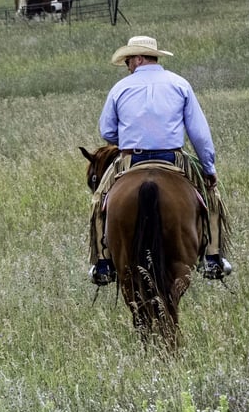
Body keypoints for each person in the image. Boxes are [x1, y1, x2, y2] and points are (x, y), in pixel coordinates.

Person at [89, 35, 232, 286]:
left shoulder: (120, 88)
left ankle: (102, 263)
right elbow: (199, 133)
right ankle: (213, 257)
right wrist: (208, 168)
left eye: (129, 61)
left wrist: (128, 135)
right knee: (212, 196)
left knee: (99, 200)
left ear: (139, 58)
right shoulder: (180, 84)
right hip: (173, 157)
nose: (128, 66)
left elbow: (106, 131)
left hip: (132, 160)